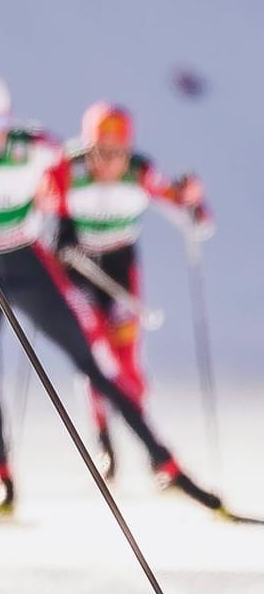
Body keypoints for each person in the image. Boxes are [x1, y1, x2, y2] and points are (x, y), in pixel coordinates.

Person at [0, 66, 226, 518]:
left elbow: (67, 162)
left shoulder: (33, 148)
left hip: (27, 262)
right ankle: (3, 477)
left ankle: (163, 460)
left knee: (94, 359)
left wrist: (63, 216)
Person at [53, 101, 213, 479]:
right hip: (79, 270)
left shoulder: (140, 173)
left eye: (118, 152)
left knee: (127, 365)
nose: (109, 162)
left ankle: (146, 446)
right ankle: (104, 439)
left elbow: (195, 218)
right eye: (100, 152)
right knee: (95, 356)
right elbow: (33, 201)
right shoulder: (67, 171)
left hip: (121, 271)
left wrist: (192, 202)